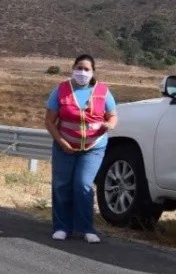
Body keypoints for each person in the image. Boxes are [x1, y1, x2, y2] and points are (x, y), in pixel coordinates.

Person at [44, 54, 116, 244]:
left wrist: (110, 124)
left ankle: (86, 228)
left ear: (93, 72)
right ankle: (61, 227)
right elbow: (49, 121)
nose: (82, 72)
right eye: (79, 68)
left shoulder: (102, 91)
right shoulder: (60, 90)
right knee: (62, 185)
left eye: (86, 69)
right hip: (65, 146)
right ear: (72, 68)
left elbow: (113, 116)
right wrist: (61, 142)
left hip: (94, 147)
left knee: (83, 184)